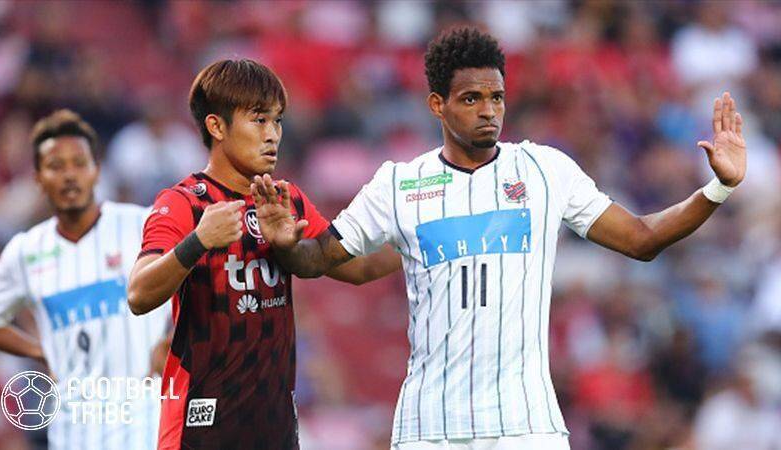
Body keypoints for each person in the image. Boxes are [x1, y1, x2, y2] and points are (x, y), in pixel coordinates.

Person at [250, 27, 747, 450]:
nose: (489, 110)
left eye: (497, 97)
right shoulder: (398, 185)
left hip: (527, 427)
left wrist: (719, 188)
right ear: (437, 105)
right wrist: (286, 244)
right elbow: (318, 260)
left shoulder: (545, 170)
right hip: (431, 429)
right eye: (471, 99)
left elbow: (642, 239)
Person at [126, 59, 400, 450]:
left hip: (274, 430)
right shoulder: (184, 203)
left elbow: (359, 267)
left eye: (277, 121)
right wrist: (198, 241)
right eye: (258, 120)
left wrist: (422, 236)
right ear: (217, 126)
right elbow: (139, 294)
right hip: (200, 428)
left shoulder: (285, 199)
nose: (272, 135)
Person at [0, 109, 170, 450]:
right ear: (38, 178)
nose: (69, 175)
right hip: (74, 434)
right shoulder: (25, 251)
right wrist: (39, 351)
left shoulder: (141, 225)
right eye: (56, 166)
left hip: (146, 427)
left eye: (79, 163)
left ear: (96, 169)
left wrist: (171, 337)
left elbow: (198, 279)